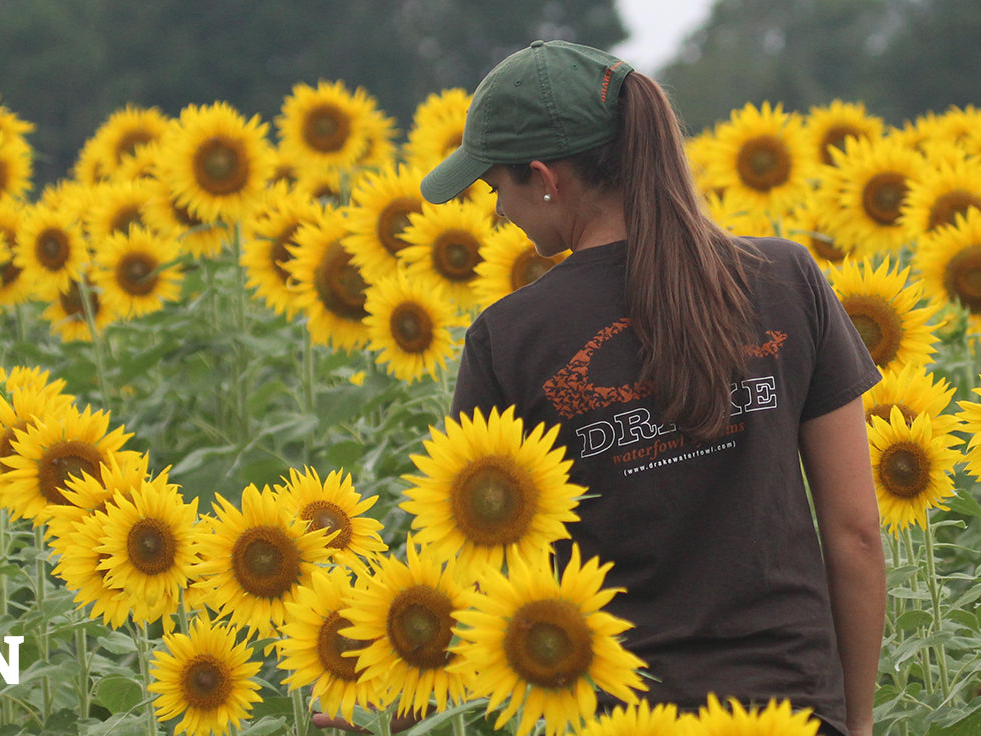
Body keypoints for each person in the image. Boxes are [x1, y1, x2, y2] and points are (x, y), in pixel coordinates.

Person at [333, 40, 886, 736]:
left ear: (543, 178)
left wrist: (401, 716)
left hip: (617, 717)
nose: (497, 214)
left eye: (494, 188)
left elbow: (472, 571)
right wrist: (857, 722)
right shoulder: (785, 279)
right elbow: (857, 532)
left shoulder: (509, 338)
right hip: (791, 709)